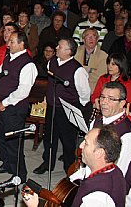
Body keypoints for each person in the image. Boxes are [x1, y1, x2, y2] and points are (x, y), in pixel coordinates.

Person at [23, 127, 126, 207]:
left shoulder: (96, 198)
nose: (80, 146)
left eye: (86, 143)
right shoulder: (115, 171)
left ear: (99, 153)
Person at [35, 37, 91, 174]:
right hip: (52, 107)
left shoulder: (78, 70)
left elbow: (85, 94)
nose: (56, 49)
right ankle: (47, 163)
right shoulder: (52, 62)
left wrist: (77, 107)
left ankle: (69, 168)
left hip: (67, 110)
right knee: (49, 137)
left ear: (69, 51)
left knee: (68, 141)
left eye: (60, 47)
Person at [0, 30, 38, 180]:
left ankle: (19, 174)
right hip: (1, 105)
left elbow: (23, 90)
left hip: (14, 108)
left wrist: (5, 102)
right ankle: (7, 164)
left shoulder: (28, 64)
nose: (8, 44)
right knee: (2, 138)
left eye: (12, 41)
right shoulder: (7, 58)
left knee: (14, 143)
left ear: (21, 44)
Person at [76, 82, 131, 175]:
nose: (104, 102)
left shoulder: (128, 135)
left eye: (111, 99)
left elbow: (121, 171)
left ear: (122, 103)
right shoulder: (97, 120)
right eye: (102, 97)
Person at [75, 27, 109, 93]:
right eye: (88, 36)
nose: (91, 39)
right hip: (77, 89)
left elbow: (100, 76)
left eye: (93, 36)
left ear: (97, 39)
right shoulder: (76, 52)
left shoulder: (104, 55)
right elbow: (73, 69)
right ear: (83, 40)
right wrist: (90, 70)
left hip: (94, 91)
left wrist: (82, 70)